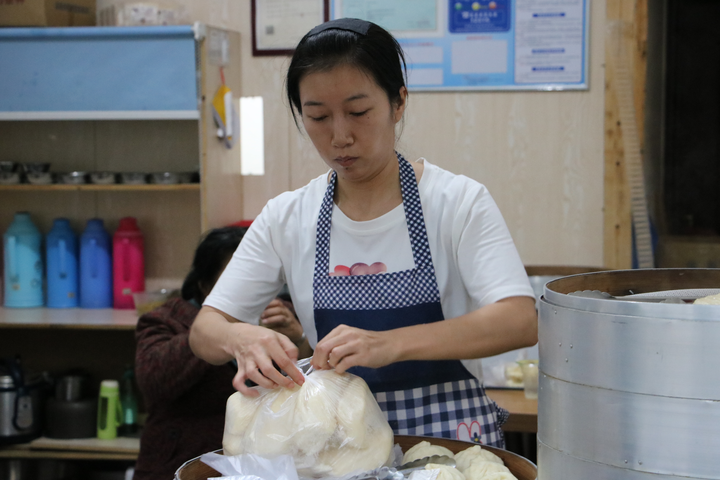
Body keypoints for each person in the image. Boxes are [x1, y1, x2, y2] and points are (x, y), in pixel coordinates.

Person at [189, 18, 537, 447]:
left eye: (358, 112)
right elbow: (204, 332)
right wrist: (239, 336)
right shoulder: (287, 217)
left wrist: (390, 344)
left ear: (398, 102)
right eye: (318, 116)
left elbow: (519, 320)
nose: (340, 136)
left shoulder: (457, 202)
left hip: (448, 448)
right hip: (334, 449)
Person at [133, 227, 307, 480]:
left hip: (269, 466)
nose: (248, 289)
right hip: (183, 463)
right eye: (235, 279)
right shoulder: (165, 320)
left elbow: (308, 378)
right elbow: (153, 382)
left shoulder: (281, 313)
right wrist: (220, 334)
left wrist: (298, 337)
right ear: (205, 285)